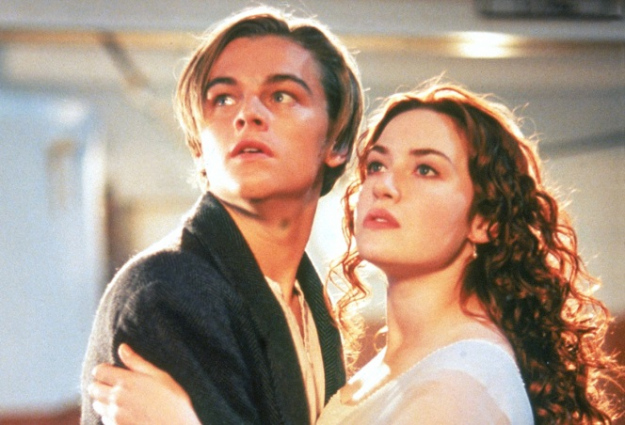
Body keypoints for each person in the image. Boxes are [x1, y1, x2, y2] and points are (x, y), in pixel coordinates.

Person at [89, 82, 623, 424]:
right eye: (377, 165)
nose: (385, 185)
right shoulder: (384, 371)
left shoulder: (460, 387)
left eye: (426, 169)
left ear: (484, 221)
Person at [80, 5, 363, 425]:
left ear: (336, 143)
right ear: (199, 149)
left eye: (282, 95)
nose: (247, 114)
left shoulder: (311, 307)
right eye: (223, 99)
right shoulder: (170, 292)